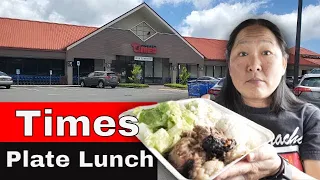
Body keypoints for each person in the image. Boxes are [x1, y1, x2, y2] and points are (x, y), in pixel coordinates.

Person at [202, 18, 320, 180]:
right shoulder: (210, 117)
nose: (254, 65)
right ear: (229, 66)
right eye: (243, 53)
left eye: (266, 52)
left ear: (283, 64)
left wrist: (280, 168)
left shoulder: (309, 118)